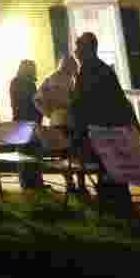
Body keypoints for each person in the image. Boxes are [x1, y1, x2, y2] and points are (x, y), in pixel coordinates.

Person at [72, 32, 139, 217]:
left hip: (101, 129)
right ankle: (118, 203)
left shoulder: (87, 71)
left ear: (87, 49)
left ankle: (113, 206)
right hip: (111, 128)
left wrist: (79, 131)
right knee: (112, 168)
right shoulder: (104, 69)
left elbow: (82, 104)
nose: (75, 52)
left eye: (78, 47)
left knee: (107, 168)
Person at [35, 54, 85, 193]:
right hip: (69, 120)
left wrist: (49, 113)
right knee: (75, 153)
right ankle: (80, 185)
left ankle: (71, 184)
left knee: (64, 154)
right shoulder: (71, 79)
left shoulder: (50, 78)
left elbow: (37, 99)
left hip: (57, 119)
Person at [9, 60, 44, 190]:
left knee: (26, 154)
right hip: (27, 123)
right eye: (32, 69)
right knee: (30, 153)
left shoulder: (16, 82)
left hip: (22, 122)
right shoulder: (27, 84)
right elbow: (33, 103)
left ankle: (29, 183)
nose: (35, 71)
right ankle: (33, 182)